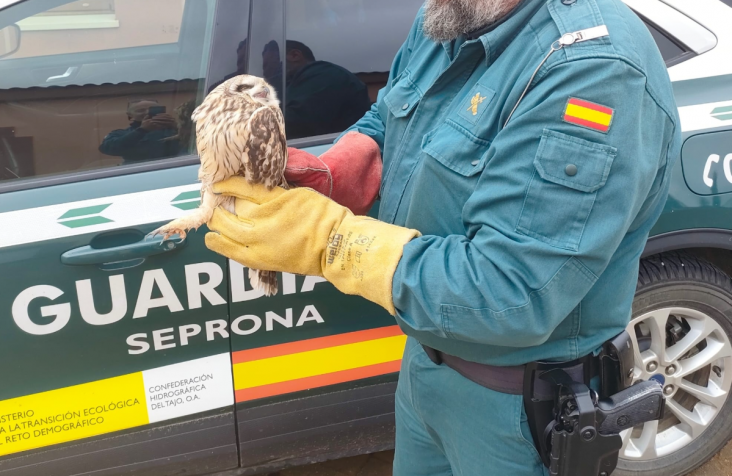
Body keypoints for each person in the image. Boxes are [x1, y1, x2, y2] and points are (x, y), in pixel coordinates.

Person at [204, 0, 681, 474]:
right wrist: (348, 163)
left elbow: (511, 293)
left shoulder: (593, 69)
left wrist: (331, 242)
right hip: (425, 365)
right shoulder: (450, 16)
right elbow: (393, 114)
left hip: (517, 408)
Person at [280, 40, 371, 139]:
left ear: (295, 55)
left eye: (273, 63)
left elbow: (296, 123)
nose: (269, 70)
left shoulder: (323, 75)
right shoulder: (295, 83)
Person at [99, 100, 179, 164]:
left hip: (174, 168)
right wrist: (141, 131)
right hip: (136, 172)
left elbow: (185, 148)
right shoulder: (120, 133)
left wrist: (177, 127)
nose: (147, 112)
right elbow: (107, 149)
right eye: (140, 110)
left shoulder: (174, 129)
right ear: (130, 115)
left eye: (152, 109)